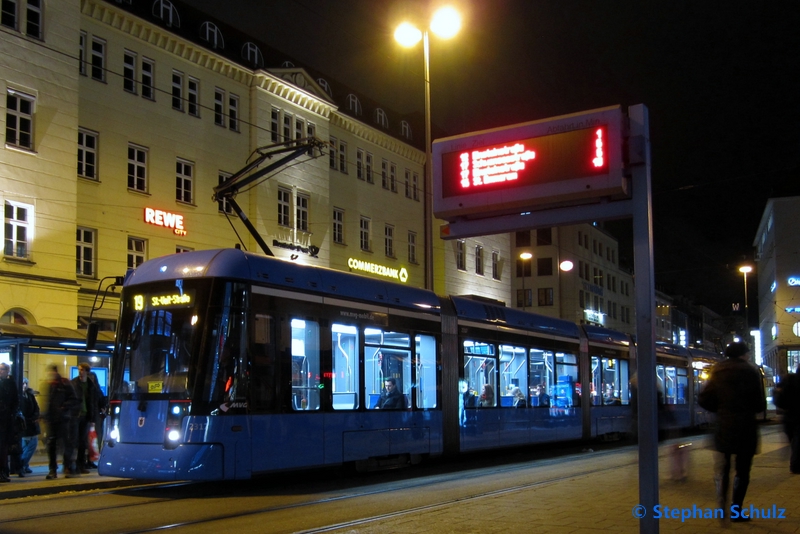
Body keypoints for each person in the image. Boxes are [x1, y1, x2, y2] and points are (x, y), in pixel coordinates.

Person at [698, 341, 766, 523]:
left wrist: (720, 410)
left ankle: (722, 505)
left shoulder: (717, 371)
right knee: (743, 471)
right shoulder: (751, 372)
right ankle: (736, 510)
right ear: (743, 354)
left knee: (724, 468)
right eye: (748, 353)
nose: (749, 356)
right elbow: (759, 404)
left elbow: (704, 398)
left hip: (724, 426)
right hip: (746, 427)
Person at [43, 365, 78, 479]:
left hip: (63, 419)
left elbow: (74, 399)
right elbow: (47, 402)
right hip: (52, 419)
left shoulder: (64, 384)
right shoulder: (49, 385)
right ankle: (53, 469)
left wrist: (64, 407)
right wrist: (46, 416)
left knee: (65, 443)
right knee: (52, 445)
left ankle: (67, 466)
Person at [71, 363, 100, 474]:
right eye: (79, 369)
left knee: (83, 441)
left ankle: (80, 465)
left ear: (87, 371)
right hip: (75, 415)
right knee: (74, 441)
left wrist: (92, 418)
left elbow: (92, 401)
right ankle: (71, 465)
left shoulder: (90, 385)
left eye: (82, 370)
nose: (80, 372)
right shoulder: (74, 383)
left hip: (85, 415)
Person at [773, 365, 800, 474]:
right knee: (798, 441)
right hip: (798, 417)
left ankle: (795, 462)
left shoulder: (789, 379)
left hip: (788, 417)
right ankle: (796, 465)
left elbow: (779, 395)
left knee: (794, 441)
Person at [0, 362, 19, 483]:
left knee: (4, 447)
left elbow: (15, 401)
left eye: (3, 369)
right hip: (3, 419)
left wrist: (11, 413)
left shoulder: (11, 384)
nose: (1, 371)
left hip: (6, 420)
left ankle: (4, 470)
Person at [18, 378, 40, 476]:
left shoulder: (30, 395)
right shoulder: (18, 396)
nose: (24, 385)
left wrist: (35, 416)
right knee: (26, 446)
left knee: (32, 444)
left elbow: (36, 407)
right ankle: (22, 464)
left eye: (26, 383)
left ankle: (23, 464)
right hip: (24, 424)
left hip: (32, 424)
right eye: (23, 383)